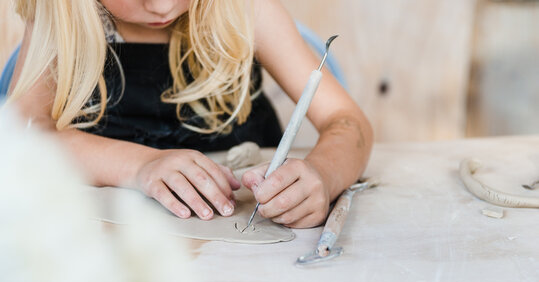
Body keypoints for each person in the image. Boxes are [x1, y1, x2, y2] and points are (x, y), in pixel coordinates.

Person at [7, 0, 373, 228]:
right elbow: (20, 138)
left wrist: (324, 175)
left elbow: (347, 120)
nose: (162, 5)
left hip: (248, 249)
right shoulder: (62, 14)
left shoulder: (247, 8)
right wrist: (139, 165)